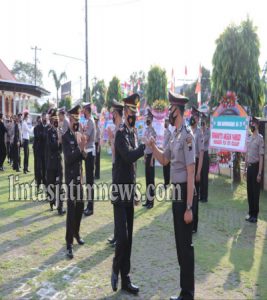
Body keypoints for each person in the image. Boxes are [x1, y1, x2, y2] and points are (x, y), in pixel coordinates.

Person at [149, 91, 195, 300]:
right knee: (179, 243)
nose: (168, 111)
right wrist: (152, 146)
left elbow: (191, 172)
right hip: (176, 192)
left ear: (178, 110)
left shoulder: (187, 136)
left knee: (185, 245)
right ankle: (184, 291)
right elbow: (165, 160)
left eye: (171, 108)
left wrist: (189, 207)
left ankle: (188, 293)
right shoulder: (175, 135)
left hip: (185, 191)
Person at [111, 93, 145, 295]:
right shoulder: (120, 134)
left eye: (135, 113)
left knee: (129, 239)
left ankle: (126, 279)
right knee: (122, 238)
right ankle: (115, 267)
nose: (134, 116)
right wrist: (144, 148)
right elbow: (129, 156)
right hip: (119, 192)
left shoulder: (132, 133)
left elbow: (133, 167)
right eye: (131, 112)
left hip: (129, 192)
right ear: (125, 112)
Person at [62, 105, 86, 259]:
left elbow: (82, 158)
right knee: (71, 209)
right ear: (70, 120)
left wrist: (83, 150)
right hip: (70, 178)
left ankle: (76, 232)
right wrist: (80, 148)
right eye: (74, 120)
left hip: (79, 177)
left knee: (80, 206)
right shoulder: (65, 137)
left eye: (78, 119)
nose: (76, 122)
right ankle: (69, 243)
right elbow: (69, 158)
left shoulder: (78, 135)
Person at [107, 99, 124, 248]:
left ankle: (119, 236)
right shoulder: (118, 127)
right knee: (115, 203)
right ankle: (116, 234)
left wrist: (111, 137)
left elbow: (114, 151)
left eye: (113, 112)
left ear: (116, 114)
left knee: (118, 204)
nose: (111, 115)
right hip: (115, 167)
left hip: (119, 169)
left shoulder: (120, 130)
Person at [244, 116, 264, 223]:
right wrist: (245, 169)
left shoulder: (260, 139)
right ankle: (251, 212)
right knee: (249, 192)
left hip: (256, 168)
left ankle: (255, 215)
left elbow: (261, 157)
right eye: (251, 123)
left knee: (255, 192)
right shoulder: (250, 138)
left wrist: (260, 173)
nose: (252, 125)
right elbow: (247, 154)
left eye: (253, 123)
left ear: (257, 125)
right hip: (250, 168)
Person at [46, 109, 66, 215]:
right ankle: (51, 201)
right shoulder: (49, 132)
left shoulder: (60, 131)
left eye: (57, 119)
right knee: (51, 184)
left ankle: (60, 207)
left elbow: (61, 149)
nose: (56, 122)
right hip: (51, 163)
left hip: (59, 162)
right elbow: (51, 147)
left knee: (60, 185)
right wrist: (58, 141)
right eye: (54, 120)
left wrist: (61, 141)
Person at [190, 106, 204, 234]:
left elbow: (201, 153)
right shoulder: (188, 131)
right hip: (188, 166)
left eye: (194, 116)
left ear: (198, 119)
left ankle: (194, 225)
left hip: (196, 164)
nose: (192, 118)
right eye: (191, 115)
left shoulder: (199, 133)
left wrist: (198, 172)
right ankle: (188, 221)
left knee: (195, 197)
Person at [83, 102, 96, 217]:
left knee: (90, 181)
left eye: (83, 109)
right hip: (88, 152)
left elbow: (86, 138)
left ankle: (90, 207)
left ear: (87, 110)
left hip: (90, 153)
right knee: (88, 180)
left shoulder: (91, 121)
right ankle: (89, 205)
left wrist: (78, 135)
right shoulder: (88, 121)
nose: (82, 111)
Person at [142, 109, 157, 209]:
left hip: (151, 157)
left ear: (151, 119)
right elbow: (145, 145)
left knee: (151, 180)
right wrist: (144, 157)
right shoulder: (146, 130)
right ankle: (147, 200)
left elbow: (152, 146)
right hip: (147, 156)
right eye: (146, 118)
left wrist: (151, 159)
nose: (147, 120)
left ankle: (151, 202)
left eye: (148, 118)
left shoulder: (153, 131)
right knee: (147, 179)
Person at [200, 113, 210, 203]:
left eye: (203, 123)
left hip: (205, 155)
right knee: (200, 176)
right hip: (200, 155)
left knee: (204, 177)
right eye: (201, 123)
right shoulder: (200, 131)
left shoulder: (207, 131)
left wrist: (202, 131)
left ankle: (205, 197)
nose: (202, 125)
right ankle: (201, 196)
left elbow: (203, 141)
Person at [163, 117, 172, 189]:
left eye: (166, 121)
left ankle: (167, 183)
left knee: (167, 168)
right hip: (164, 151)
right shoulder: (166, 130)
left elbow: (170, 142)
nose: (165, 123)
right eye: (165, 121)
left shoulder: (170, 131)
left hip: (168, 152)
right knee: (164, 168)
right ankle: (165, 182)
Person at [94, 114, 101, 180]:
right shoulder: (93, 128)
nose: (95, 121)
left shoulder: (98, 128)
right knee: (94, 160)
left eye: (95, 120)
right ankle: (94, 174)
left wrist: (98, 147)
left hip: (97, 145)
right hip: (93, 145)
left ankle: (97, 175)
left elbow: (99, 139)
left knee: (97, 161)